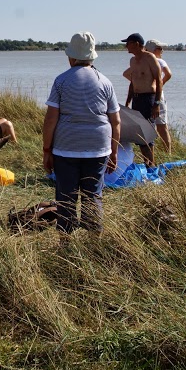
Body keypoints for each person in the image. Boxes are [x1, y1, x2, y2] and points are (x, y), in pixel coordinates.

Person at [42, 32, 120, 236]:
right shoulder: (105, 82)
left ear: (71, 57)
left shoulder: (61, 81)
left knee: (66, 197)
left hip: (66, 149)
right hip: (98, 148)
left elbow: (51, 119)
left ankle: (66, 244)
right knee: (93, 196)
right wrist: (114, 152)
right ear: (92, 57)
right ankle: (95, 242)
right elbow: (116, 121)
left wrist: (46, 150)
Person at [120, 32, 163, 166]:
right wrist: (128, 102)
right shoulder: (132, 60)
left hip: (148, 98)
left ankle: (151, 164)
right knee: (139, 133)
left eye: (128, 43)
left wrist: (156, 103)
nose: (126, 46)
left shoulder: (149, 58)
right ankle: (147, 162)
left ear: (137, 44)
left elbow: (159, 81)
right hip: (137, 99)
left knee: (147, 133)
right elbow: (132, 83)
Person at [145, 39, 173, 152]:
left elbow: (128, 74)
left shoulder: (143, 61)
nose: (162, 51)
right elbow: (168, 74)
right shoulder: (159, 61)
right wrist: (160, 83)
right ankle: (168, 152)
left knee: (148, 126)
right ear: (153, 50)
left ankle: (152, 152)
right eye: (160, 48)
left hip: (148, 95)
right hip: (158, 97)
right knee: (162, 126)